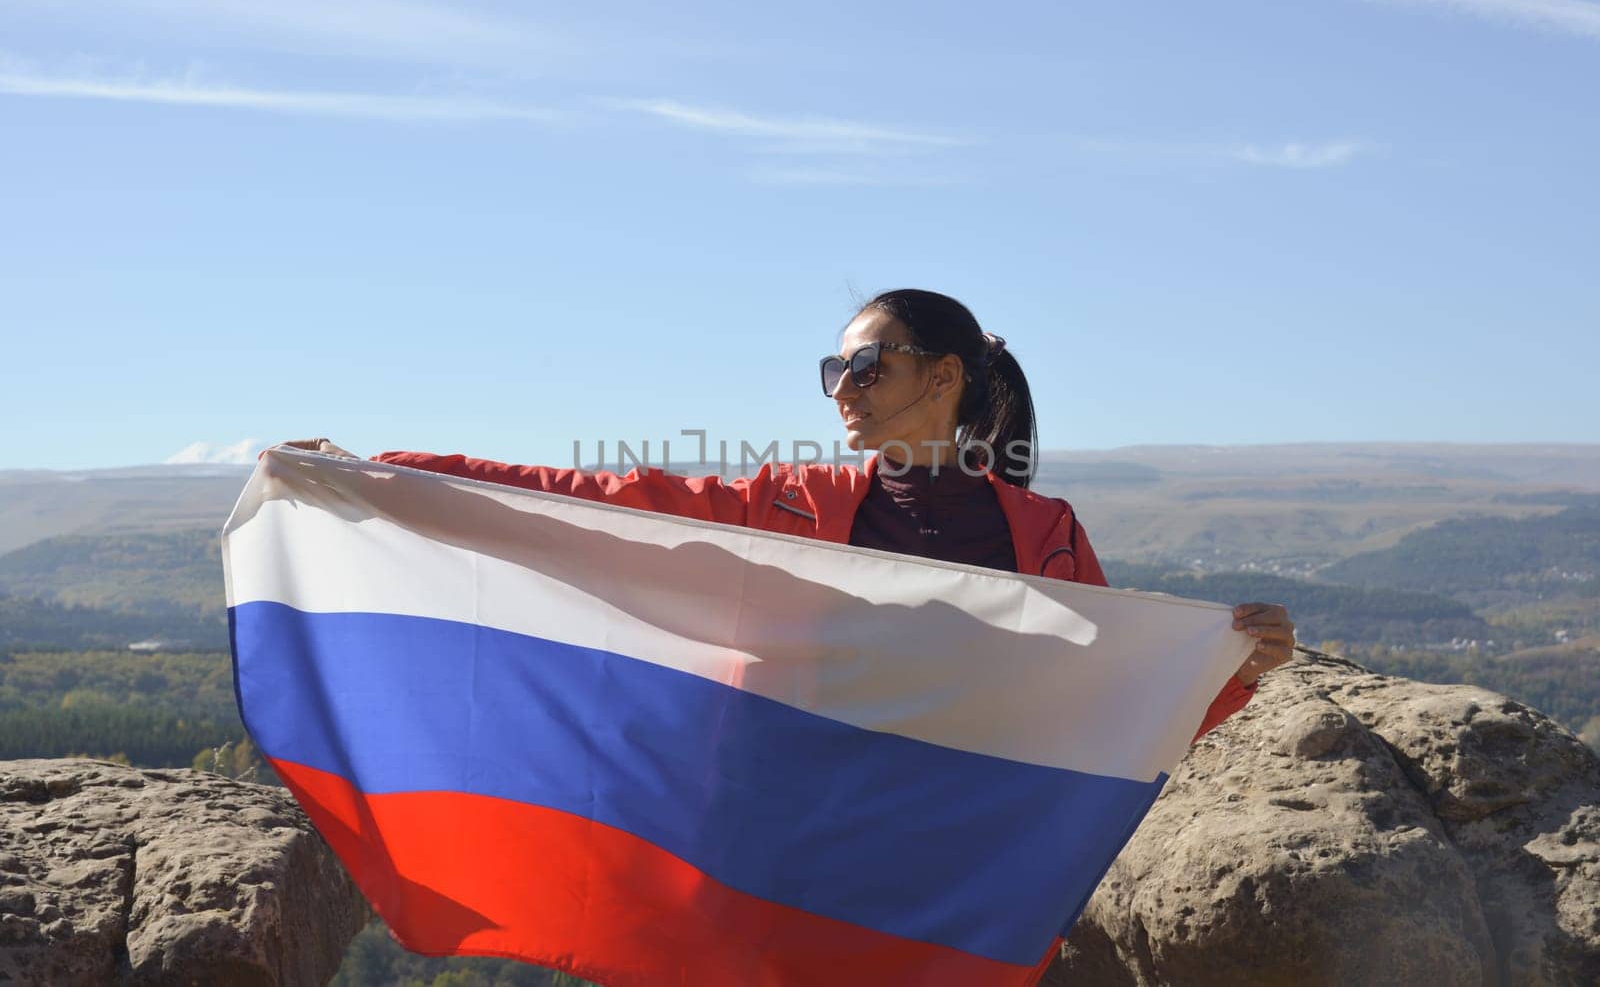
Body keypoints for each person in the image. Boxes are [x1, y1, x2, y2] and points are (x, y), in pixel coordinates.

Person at [288, 287, 1296, 739]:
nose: (842, 388)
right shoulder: (790, 501)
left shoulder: (1045, 533)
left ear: (943, 378)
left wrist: (1232, 672)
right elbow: (596, 497)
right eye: (833, 369)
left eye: (866, 364)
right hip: (790, 820)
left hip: (951, 845)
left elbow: (1106, 705)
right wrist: (390, 475)